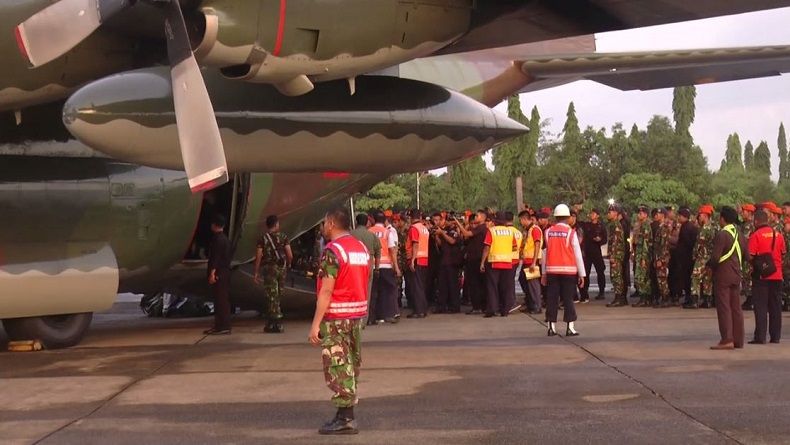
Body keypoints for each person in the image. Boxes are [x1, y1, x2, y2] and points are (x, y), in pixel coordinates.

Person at [309, 208, 370, 435]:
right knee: (351, 364)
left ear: (332, 223)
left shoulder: (333, 251)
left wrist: (315, 324)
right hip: (356, 315)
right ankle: (344, 412)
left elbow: (326, 290)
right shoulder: (360, 248)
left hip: (336, 317)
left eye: (324, 223)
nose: (323, 227)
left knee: (338, 365)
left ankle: (346, 418)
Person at [541, 204, 586, 337]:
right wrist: (582, 274)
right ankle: (570, 327)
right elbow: (577, 254)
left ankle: (551, 327)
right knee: (568, 300)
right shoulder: (571, 233)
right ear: (567, 217)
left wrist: (543, 273)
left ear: (555, 217)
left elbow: (545, 253)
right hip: (568, 271)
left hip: (552, 271)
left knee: (552, 299)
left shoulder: (548, 232)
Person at [707, 206, 748, 350]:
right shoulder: (740, 235)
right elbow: (747, 256)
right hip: (736, 274)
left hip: (723, 275)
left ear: (723, 219)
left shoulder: (722, 234)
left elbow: (715, 257)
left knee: (724, 307)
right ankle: (738, 340)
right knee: (736, 307)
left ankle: (727, 339)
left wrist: (709, 266)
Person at [747, 209, 786, 344]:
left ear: (756, 221)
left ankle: (760, 337)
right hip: (777, 275)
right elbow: (783, 253)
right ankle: (775, 337)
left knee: (761, 307)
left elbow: (750, 255)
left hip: (761, 277)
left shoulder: (755, 235)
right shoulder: (778, 235)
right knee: (775, 307)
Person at [254, 214, 293, 333]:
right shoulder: (283, 237)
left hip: (269, 269)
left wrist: (256, 272)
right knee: (278, 294)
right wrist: (288, 264)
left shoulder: (263, 238)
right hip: (281, 268)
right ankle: (274, 322)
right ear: (276, 224)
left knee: (272, 295)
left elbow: (258, 256)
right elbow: (290, 254)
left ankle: (275, 322)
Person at [480, 212, 518, 317]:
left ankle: (492, 309)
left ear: (495, 221)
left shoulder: (492, 231)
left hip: (494, 263)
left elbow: (486, 247)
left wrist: (482, 262)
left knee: (492, 287)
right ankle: (505, 310)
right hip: (507, 263)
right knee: (505, 287)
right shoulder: (510, 232)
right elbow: (514, 247)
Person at [369, 211, 400, 324]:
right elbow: (392, 250)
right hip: (386, 266)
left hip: (372, 265)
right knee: (387, 291)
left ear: (373, 220)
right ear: (384, 220)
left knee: (374, 292)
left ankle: (374, 316)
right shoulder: (388, 232)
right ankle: (387, 314)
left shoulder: (369, 231)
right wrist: (396, 267)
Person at [351, 213, 381, 325]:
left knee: (353, 291)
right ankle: (364, 320)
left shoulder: (350, 234)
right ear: (367, 223)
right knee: (366, 292)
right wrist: (376, 268)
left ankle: (353, 318)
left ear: (356, 222)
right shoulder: (372, 236)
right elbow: (378, 253)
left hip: (353, 264)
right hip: (368, 264)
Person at [205, 214, 232, 335]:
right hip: (224, 272)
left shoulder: (217, 240)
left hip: (219, 273)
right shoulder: (225, 239)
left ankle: (223, 326)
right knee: (220, 300)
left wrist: (212, 273)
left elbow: (215, 258)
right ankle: (219, 325)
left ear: (214, 225)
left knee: (221, 301)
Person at [458, 210, 489, 314]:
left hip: (476, 259)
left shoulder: (481, 228)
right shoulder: (479, 228)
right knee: (477, 284)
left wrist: (458, 223)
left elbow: (466, 233)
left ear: (483, 217)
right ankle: (481, 306)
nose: (476, 217)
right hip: (475, 258)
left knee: (475, 284)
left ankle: (477, 307)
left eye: (477, 215)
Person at [432, 212, 463, 313]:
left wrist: (442, 233)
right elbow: (440, 244)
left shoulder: (453, 231)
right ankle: (441, 306)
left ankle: (454, 306)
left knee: (453, 285)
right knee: (442, 285)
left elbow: (452, 241)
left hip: (452, 262)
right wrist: (436, 236)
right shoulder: (442, 230)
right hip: (443, 261)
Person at [687, 205, 714, 309]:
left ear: (706, 216)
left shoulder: (704, 229)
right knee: (707, 278)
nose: (699, 217)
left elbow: (699, 244)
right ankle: (707, 300)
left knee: (695, 277)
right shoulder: (714, 228)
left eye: (701, 215)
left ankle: (694, 300)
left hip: (702, 257)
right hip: (710, 257)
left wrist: (694, 255)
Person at [518, 210, 543, 314]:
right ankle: (530, 303)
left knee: (533, 285)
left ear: (524, 219)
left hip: (532, 261)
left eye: (520, 220)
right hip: (526, 260)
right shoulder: (527, 230)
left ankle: (537, 306)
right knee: (523, 280)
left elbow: (537, 245)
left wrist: (534, 262)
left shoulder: (535, 229)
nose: (520, 222)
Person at [406, 210, 430, 318]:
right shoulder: (424, 228)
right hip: (424, 259)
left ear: (411, 217)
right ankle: (423, 309)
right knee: (421, 286)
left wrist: (412, 259)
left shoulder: (414, 228)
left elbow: (415, 244)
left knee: (416, 287)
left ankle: (418, 311)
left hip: (417, 259)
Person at [579, 208, 607, 302]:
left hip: (596, 251)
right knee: (586, 272)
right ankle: (585, 292)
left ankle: (601, 291)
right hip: (587, 252)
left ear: (598, 216)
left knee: (600, 271)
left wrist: (600, 240)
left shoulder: (601, 226)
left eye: (594, 213)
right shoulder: (586, 225)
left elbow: (605, 239)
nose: (592, 215)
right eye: (591, 213)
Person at [606, 205, 628, 307]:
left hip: (616, 255)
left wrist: (613, 256)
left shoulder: (616, 225)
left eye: (610, 212)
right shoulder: (613, 224)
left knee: (617, 276)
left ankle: (619, 298)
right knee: (615, 276)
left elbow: (615, 242)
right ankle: (619, 297)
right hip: (616, 255)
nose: (608, 214)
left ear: (616, 213)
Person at [676, 207, 698, 307]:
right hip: (686, 257)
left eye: (680, 216)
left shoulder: (687, 227)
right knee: (686, 278)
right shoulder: (687, 226)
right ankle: (688, 297)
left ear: (685, 217)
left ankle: (689, 298)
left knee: (687, 278)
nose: (678, 217)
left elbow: (688, 243)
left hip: (686, 257)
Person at [632, 206, 653, 307]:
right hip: (639, 254)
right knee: (640, 277)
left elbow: (646, 243)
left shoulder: (646, 226)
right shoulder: (640, 225)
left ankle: (645, 298)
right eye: (638, 213)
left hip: (643, 256)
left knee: (642, 277)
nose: (638, 215)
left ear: (645, 215)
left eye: (640, 213)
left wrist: (644, 258)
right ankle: (644, 298)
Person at [653, 208, 673, 308]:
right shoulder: (660, 227)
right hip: (659, 256)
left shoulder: (664, 228)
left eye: (659, 214)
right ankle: (663, 297)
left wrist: (660, 259)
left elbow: (664, 245)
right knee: (660, 278)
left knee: (662, 278)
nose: (656, 215)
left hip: (663, 257)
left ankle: (666, 298)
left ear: (663, 215)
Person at [740, 204, 756, 310]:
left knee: (748, 276)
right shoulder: (747, 224)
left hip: (748, 254)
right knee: (747, 277)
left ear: (749, 213)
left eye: (744, 211)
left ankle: (750, 300)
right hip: (749, 254)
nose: (742, 213)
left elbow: (744, 240)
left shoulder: (748, 225)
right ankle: (749, 299)